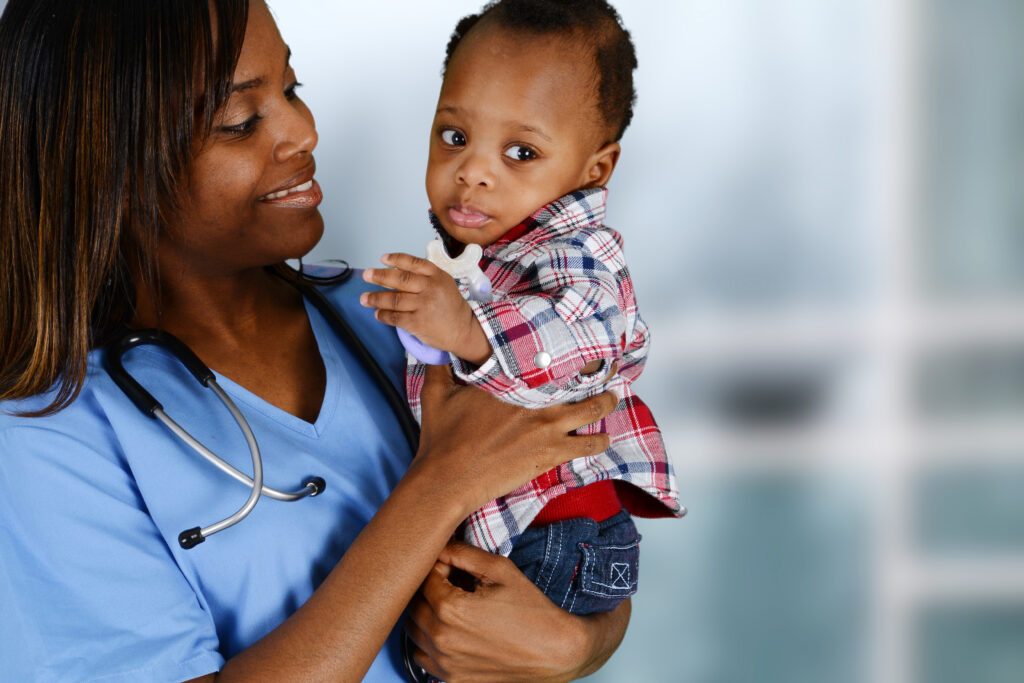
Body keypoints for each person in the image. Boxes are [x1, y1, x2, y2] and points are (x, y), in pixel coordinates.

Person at [0, 1, 632, 681]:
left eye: (293, 90)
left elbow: (583, 522)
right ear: (107, 161)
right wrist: (438, 486)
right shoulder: (45, 430)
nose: (303, 131)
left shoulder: (402, 316)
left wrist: (577, 643)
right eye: (242, 122)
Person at [361, 0, 683, 627]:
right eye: (454, 137)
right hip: (513, 531)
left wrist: (465, 330)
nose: (473, 171)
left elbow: (585, 340)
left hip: (559, 536)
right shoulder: (480, 259)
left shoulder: (579, 251)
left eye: (522, 153)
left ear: (596, 169)